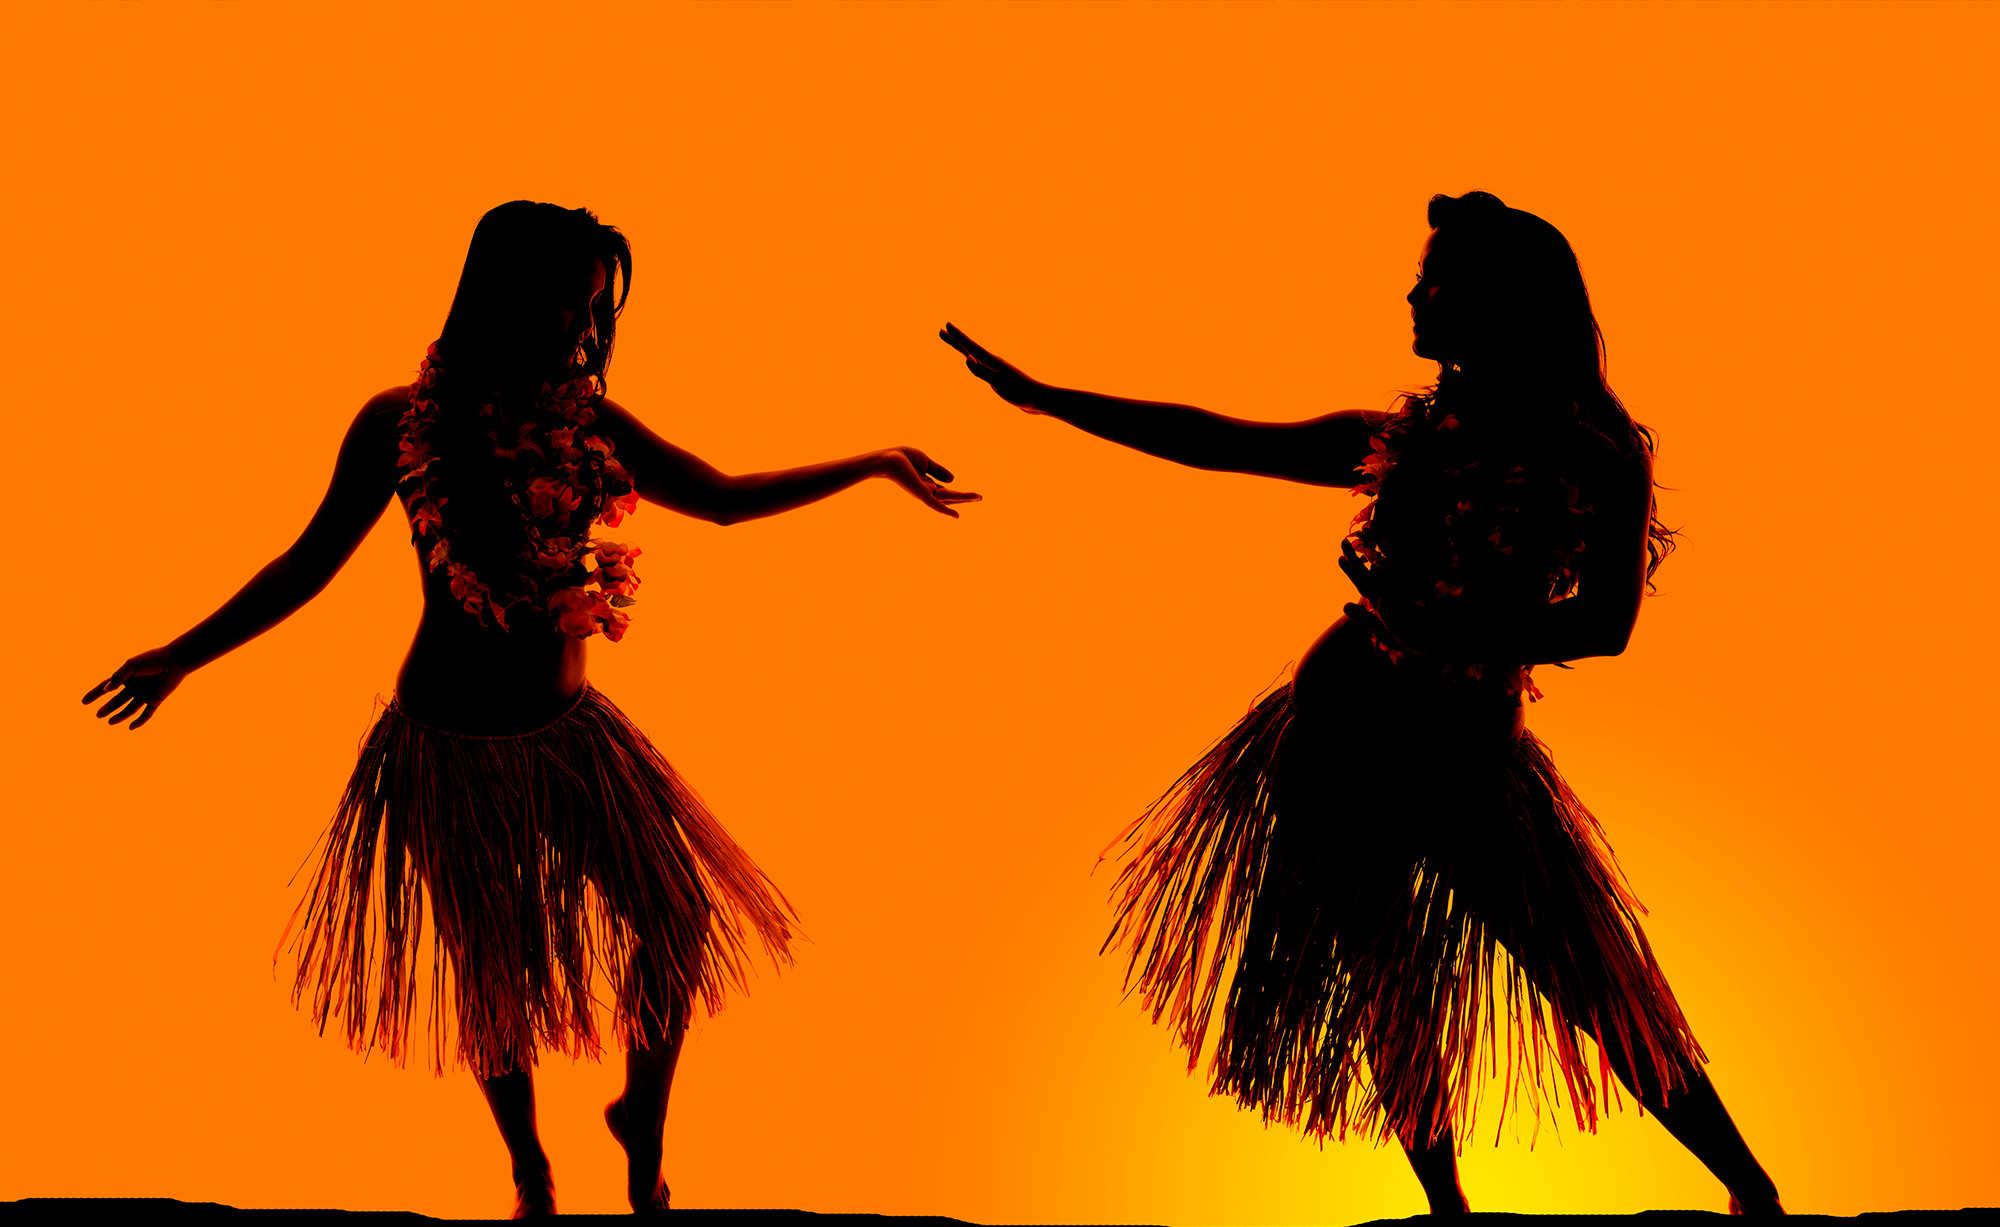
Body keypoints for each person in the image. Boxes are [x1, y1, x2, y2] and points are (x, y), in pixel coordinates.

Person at [84, 200, 979, 1218]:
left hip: (572, 738)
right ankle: (529, 1174)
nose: (578, 327)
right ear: (496, 291)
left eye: (592, 309)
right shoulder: (401, 424)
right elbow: (307, 564)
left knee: (672, 923)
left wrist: (865, 464)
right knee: (491, 966)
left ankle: (640, 1124)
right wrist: (182, 657)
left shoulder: (585, 424)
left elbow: (723, 495)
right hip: (447, 745)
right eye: (563, 298)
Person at [941, 191, 1781, 1215]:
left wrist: (1445, 635)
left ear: (1497, 302)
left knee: (1587, 971)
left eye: (1434, 281)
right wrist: (1049, 398)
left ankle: (1749, 1188)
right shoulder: (1406, 439)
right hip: (1337, 732)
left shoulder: (1598, 458)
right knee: (1386, 974)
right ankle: (1444, 1209)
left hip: (1469, 751)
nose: (1413, 297)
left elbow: (1603, 627)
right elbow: (1221, 439)